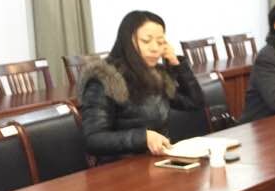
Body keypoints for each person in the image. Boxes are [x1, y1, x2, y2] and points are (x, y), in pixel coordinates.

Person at [79, 10, 205, 163]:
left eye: (160, 42)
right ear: (128, 42)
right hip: (119, 167)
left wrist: (176, 63)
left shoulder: (157, 75)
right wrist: (143, 137)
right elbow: (93, 140)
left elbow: (195, 102)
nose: (155, 48)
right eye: (146, 41)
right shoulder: (105, 78)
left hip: (157, 160)